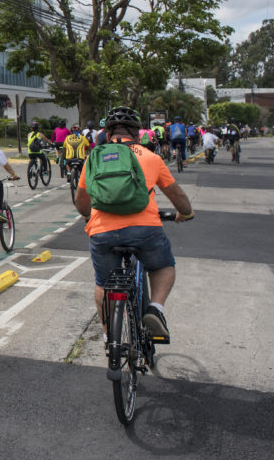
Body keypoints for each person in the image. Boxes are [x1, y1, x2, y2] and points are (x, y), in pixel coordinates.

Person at [74, 106, 194, 344]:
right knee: (162, 267)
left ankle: (111, 340)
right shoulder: (151, 157)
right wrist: (185, 213)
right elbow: (176, 194)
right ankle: (155, 309)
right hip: (145, 229)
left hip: (103, 232)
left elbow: (81, 200)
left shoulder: (94, 158)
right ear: (138, 134)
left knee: (104, 284)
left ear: (108, 134)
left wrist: (89, 217)